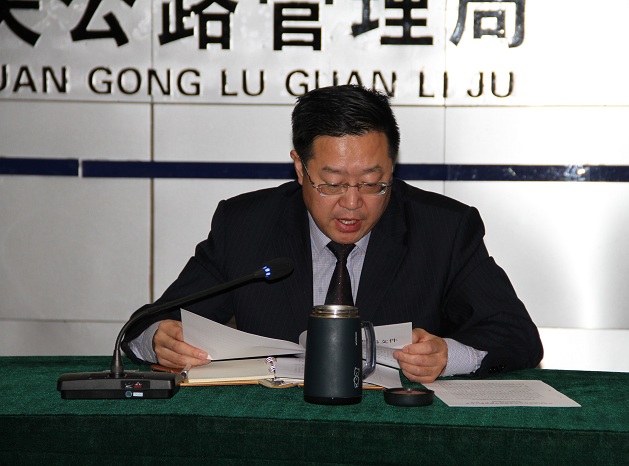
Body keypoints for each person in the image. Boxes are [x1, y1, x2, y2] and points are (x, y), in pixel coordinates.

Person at [122, 84, 543, 383]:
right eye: (333, 183)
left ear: (392, 167)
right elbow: (149, 323)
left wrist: (448, 357)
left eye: (373, 183)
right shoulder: (245, 225)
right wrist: (157, 340)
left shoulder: (444, 229)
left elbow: (517, 337)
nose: (352, 203)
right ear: (300, 167)